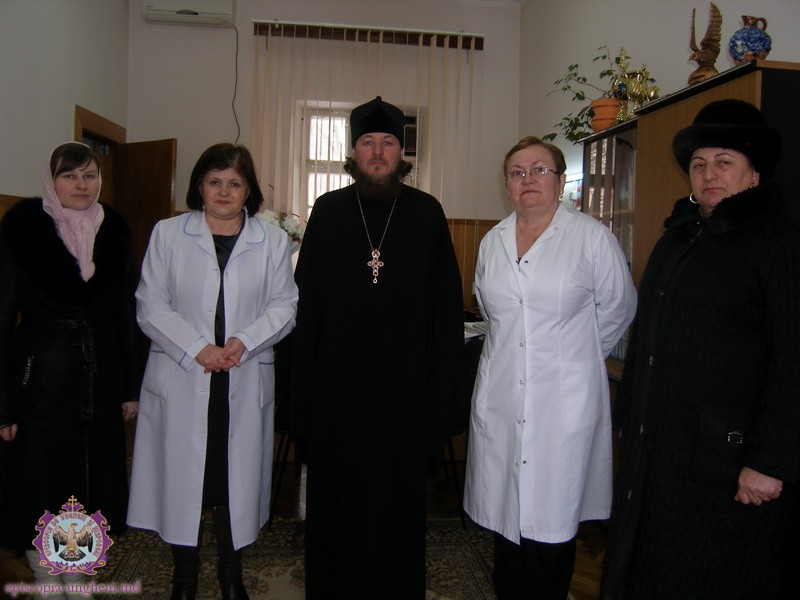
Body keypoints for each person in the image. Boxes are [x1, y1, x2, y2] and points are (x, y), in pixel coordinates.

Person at [601, 99, 800, 600]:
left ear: (755, 173)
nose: (709, 174)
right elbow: (646, 340)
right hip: (660, 450)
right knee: (649, 567)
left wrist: (770, 461)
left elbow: (793, 361)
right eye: (699, 164)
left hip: (730, 464)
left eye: (724, 162)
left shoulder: (781, 242)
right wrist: (629, 418)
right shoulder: (677, 238)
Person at [289, 96, 464, 598]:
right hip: (337, 394)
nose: (379, 152)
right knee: (336, 501)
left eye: (388, 143)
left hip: (404, 394)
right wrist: (301, 396)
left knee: (397, 504)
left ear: (401, 153)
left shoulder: (427, 213)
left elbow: (445, 311)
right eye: (368, 142)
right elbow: (306, 307)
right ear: (353, 152)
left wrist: (440, 400)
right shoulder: (328, 211)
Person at [463, 136, 637, 600]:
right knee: (505, 522)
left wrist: (571, 357)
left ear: (560, 182)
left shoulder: (591, 237)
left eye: (540, 169)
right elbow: (490, 310)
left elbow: (619, 308)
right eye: (517, 172)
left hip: (564, 401)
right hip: (502, 394)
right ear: (507, 185)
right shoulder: (493, 241)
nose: (528, 179)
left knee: (552, 524)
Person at [127, 143, 298, 600]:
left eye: (235, 183)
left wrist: (246, 340)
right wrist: (197, 348)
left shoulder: (271, 240)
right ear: (199, 186)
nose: (224, 191)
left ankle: (230, 575)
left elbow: (285, 306)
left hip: (242, 372)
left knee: (230, 481)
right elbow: (150, 304)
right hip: (184, 374)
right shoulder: (168, 234)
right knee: (183, 481)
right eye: (214, 181)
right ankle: (184, 577)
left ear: (249, 190)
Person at [0, 142, 140, 597]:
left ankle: (76, 577)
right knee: (40, 486)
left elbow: (126, 317)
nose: (81, 185)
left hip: (100, 384)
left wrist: (130, 386)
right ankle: (46, 581)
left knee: (87, 486)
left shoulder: (114, 231)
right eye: (69, 175)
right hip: (39, 384)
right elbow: (1, 320)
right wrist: (2, 405)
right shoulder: (22, 230)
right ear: (52, 181)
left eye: (89, 175)